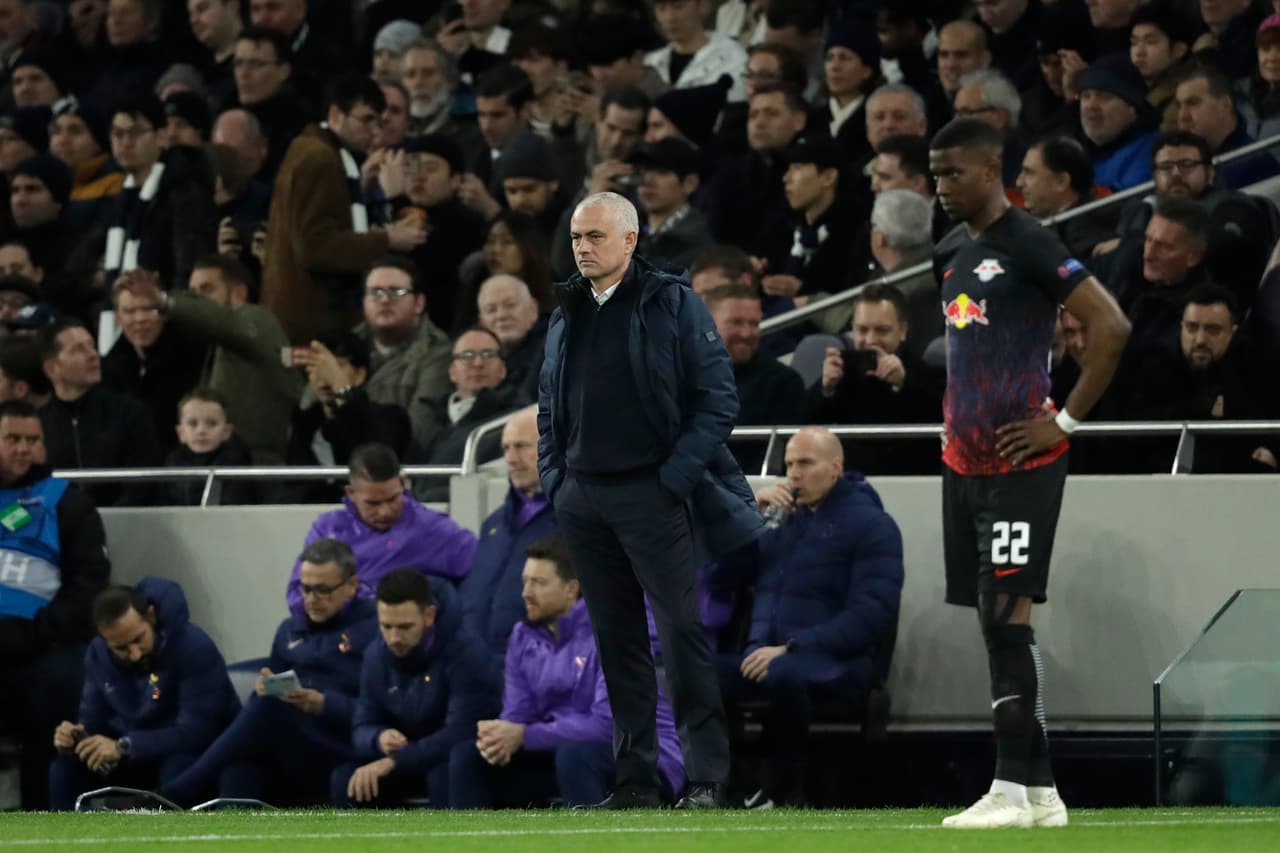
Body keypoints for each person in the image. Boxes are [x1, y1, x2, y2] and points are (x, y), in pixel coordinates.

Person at [929, 118, 1131, 829]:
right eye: (934, 174)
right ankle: (1042, 794)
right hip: (965, 461)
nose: (941, 186)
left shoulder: (1030, 241)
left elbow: (1111, 326)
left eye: (953, 173)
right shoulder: (952, 252)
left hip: (1023, 458)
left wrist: (1064, 420)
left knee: (1007, 617)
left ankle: (1009, 790)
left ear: (991, 171)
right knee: (993, 620)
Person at [538, 191, 764, 809]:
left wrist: (673, 477)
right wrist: (556, 476)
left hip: (651, 490)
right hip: (584, 495)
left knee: (681, 633)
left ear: (631, 240)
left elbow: (717, 398)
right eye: (578, 238)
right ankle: (635, 779)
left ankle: (707, 778)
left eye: (595, 237)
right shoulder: (566, 309)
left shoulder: (673, 304)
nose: (582, 248)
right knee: (615, 640)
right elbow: (547, 403)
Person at [713, 427, 903, 808]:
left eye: (805, 463)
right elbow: (723, 580)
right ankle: (723, 786)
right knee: (698, 673)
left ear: (836, 467)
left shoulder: (872, 525)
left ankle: (783, 792)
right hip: (765, 658)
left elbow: (873, 614)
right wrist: (746, 520)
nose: (794, 473)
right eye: (788, 465)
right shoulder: (780, 522)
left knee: (785, 674)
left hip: (837, 663)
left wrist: (792, 647)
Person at [449, 538, 685, 808]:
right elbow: (517, 714)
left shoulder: (612, 631)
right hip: (563, 754)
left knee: (575, 756)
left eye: (538, 583)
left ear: (571, 589)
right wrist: (500, 736)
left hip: (642, 761)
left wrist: (524, 735)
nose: (526, 592)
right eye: (525, 581)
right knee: (468, 757)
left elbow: (608, 726)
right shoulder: (523, 636)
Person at [158, 539, 379, 806]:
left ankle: (175, 794)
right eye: (305, 589)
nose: (311, 599)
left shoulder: (377, 632)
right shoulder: (289, 630)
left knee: (269, 710)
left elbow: (386, 711)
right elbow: (261, 702)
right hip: (294, 744)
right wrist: (262, 689)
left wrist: (323, 704)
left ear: (351, 586)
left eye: (322, 590)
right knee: (241, 765)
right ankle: (227, 839)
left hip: (346, 743)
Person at [0, 401, 110, 810]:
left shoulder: (66, 501)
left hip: (43, 641)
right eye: (13, 439)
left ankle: (46, 814)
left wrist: (37, 633)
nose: (24, 448)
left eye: (33, 440)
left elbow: (90, 583)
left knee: (62, 685)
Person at [48, 579, 240, 810]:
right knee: (64, 770)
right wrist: (78, 739)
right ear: (104, 640)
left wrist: (124, 746)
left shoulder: (193, 646)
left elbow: (198, 732)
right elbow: (94, 722)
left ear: (151, 616)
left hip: (190, 756)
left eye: (138, 639)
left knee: (177, 767)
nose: (135, 654)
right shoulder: (98, 656)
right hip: (134, 758)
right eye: (121, 648)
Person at [261, 74, 426, 343]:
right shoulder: (322, 159)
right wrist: (387, 239)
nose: (375, 132)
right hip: (313, 321)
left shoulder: (309, 149)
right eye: (366, 120)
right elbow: (316, 247)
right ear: (336, 114)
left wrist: (358, 190)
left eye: (379, 122)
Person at [330, 569, 493, 807]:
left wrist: (399, 760)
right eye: (386, 626)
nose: (394, 638)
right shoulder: (376, 656)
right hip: (406, 757)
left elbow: (462, 731)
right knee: (349, 780)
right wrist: (378, 738)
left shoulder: (466, 653)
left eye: (405, 627)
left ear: (429, 616)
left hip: (451, 757)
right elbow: (363, 722)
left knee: (445, 775)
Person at [286, 443, 476, 616]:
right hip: (331, 638)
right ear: (351, 493)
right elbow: (296, 596)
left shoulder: (433, 529)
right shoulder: (327, 529)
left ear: (402, 483)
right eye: (373, 504)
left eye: (393, 499)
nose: (385, 511)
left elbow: (485, 569)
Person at [1129, 285, 1280, 473]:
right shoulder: (1155, 368)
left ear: (1232, 332)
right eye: (1192, 328)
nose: (1200, 339)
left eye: (1213, 330)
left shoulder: (1257, 370)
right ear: (1181, 327)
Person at [458, 407, 558, 687]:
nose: (511, 460)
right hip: (475, 672)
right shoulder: (494, 524)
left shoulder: (577, 522)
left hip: (537, 676)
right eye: (506, 449)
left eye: (522, 447)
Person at [807, 284, 944, 476]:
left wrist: (903, 384)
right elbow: (802, 429)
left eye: (882, 330)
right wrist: (827, 389)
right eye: (862, 330)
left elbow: (941, 422)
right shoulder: (841, 377)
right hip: (847, 484)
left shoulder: (928, 375)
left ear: (903, 330)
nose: (870, 340)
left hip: (911, 483)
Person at [38, 319, 161, 506]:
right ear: (52, 368)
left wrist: (102, 521)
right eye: (78, 349)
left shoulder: (130, 413)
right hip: (55, 527)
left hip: (124, 526)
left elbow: (143, 485)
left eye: (92, 346)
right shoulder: (37, 424)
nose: (93, 355)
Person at [409, 326, 528, 500]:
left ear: (503, 369)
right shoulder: (430, 418)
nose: (478, 364)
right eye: (467, 356)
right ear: (452, 372)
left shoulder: (514, 421)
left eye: (488, 355)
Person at [702, 283, 804, 474]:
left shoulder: (783, 384)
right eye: (736, 323)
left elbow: (776, 460)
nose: (746, 333)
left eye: (754, 324)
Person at [350, 255, 452, 441]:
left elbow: (417, 430)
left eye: (397, 292)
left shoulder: (439, 354)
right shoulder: (342, 346)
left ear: (419, 303)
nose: (385, 300)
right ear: (364, 302)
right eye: (375, 292)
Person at [286, 329, 412, 479]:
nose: (324, 376)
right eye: (316, 367)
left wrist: (342, 389)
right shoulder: (305, 425)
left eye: (335, 367)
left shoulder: (390, 417)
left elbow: (375, 466)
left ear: (359, 375)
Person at [101, 275, 207, 454]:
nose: (140, 318)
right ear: (118, 317)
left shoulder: (191, 355)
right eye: (130, 311)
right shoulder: (108, 367)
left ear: (164, 312)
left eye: (148, 309)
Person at [1016, 136, 1112, 259]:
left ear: (1061, 182)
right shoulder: (1022, 222)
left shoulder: (1085, 234)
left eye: (1029, 173)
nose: (1019, 182)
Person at [161, 387, 254, 506]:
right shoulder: (172, 462)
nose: (201, 431)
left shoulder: (236, 462)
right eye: (193, 423)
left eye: (212, 424)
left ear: (227, 431)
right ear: (181, 433)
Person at [646, 0, 747, 102]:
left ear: (702, 6)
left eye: (678, 6)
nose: (669, 17)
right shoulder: (650, 62)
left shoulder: (733, 58)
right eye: (661, 8)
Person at [477, 274, 545, 398]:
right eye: (491, 310)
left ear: (533, 309)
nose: (501, 315)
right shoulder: (478, 361)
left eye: (510, 305)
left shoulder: (555, 346)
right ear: (482, 322)